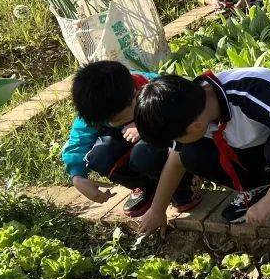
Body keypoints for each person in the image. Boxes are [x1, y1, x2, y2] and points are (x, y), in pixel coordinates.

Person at [133, 68, 270, 232]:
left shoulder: (246, 92)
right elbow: (176, 159)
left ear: (194, 127)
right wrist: (157, 210)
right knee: (190, 154)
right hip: (256, 138)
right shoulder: (191, 109)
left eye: (176, 136)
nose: (176, 141)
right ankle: (258, 186)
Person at [61, 61, 200, 218]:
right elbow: (79, 140)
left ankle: (184, 184)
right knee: (98, 157)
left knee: (143, 156)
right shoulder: (95, 106)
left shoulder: (155, 87)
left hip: (161, 140)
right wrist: (77, 177)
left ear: (135, 96)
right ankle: (147, 186)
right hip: (127, 141)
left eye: (118, 118)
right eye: (107, 121)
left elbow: (188, 113)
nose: (113, 123)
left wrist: (145, 122)